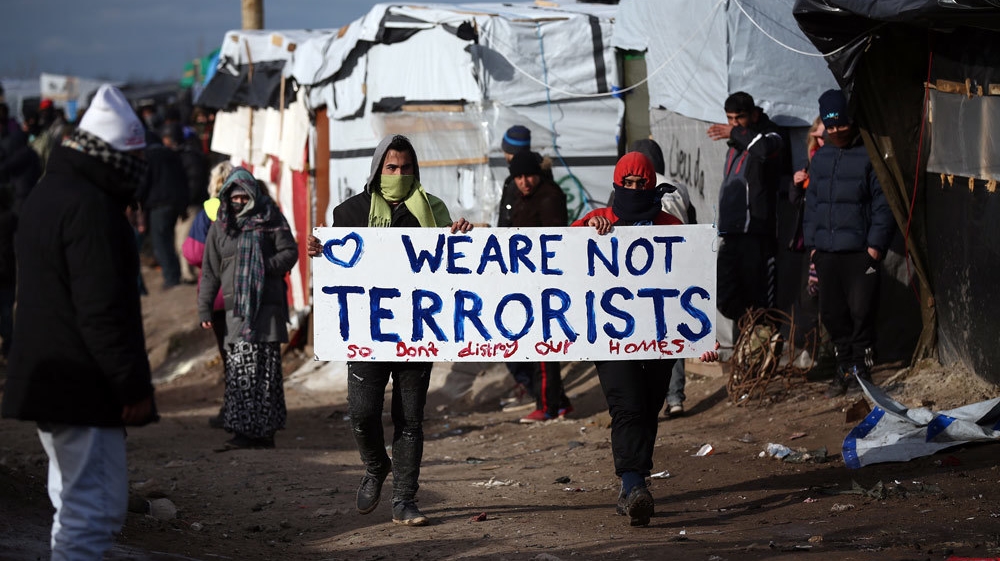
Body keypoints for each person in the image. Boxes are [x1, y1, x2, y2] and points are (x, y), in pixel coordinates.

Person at [1, 84, 158, 560]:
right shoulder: (91, 208)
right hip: (80, 383)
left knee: (73, 507)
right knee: (94, 512)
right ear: (114, 156)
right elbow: (101, 310)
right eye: (134, 158)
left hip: (56, 378)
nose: (139, 169)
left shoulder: (51, 192)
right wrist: (131, 387)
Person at [307, 134, 473, 527]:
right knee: (362, 414)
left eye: (406, 168)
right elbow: (338, 262)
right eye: (391, 167)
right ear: (378, 169)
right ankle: (375, 465)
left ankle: (404, 500)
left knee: (409, 419)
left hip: (418, 330)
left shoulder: (433, 210)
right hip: (368, 334)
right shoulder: (350, 212)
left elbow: (454, 264)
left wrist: (461, 236)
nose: (399, 174)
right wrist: (320, 249)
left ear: (416, 170)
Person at [573, 151, 718, 527]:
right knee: (627, 406)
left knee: (649, 406)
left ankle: (634, 485)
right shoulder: (596, 221)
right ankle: (633, 482)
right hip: (611, 337)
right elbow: (562, 257)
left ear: (652, 185)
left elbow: (691, 282)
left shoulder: (671, 226)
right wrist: (588, 230)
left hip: (659, 335)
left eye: (642, 183)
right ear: (617, 184)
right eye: (629, 183)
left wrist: (703, 336)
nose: (635, 189)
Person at [803, 89, 895, 397]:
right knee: (832, 313)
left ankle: (862, 371)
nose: (836, 131)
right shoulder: (821, 158)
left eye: (841, 124)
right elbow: (812, 204)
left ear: (851, 121)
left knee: (861, 311)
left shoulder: (869, 155)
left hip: (860, 252)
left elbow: (883, 203)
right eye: (830, 126)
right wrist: (813, 246)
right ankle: (843, 368)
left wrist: (875, 247)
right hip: (827, 251)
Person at [198, 167, 297, 450]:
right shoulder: (221, 225)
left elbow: (289, 252)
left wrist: (263, 266)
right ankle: (242, 432)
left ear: (254, 195)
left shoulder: (271, 217)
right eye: (235, 197)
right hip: (236, 312)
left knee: (265, 373)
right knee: (240, 371)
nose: (240, 202)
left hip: (267, 308)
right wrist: (205, 309)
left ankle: (264, 434)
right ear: (226, 197)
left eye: (245, 196)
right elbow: (210, 271)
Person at [626, 139, 693, 418]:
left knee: (643, 332)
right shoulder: (679, 188)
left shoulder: (631, 189)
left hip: (640, 270)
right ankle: (674, 397)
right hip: (674, 268)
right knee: (672, 331)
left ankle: (643, 398)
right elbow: (692, 226)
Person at [505, 150, 574, 422]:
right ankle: (559, 402)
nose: (524, 182)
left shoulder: (548, 197)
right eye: (519, 177)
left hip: (544, 282)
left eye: (529, 176)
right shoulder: (522, 197)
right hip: (526, 280)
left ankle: (547, 406)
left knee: (543, 348)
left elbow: (552, 241)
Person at [708, 92, 785, 324]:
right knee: (723, 293)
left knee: (757, 297)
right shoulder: (735, 146)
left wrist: (734, 133)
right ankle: (750, 331)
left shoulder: (771, 136)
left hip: (756, 233)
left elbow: (763, 149)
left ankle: (762, 337)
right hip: (732, 232)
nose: (733, 124)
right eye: (729, 119)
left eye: (739, 118)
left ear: (753, 115)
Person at [183, 161, 234, 428]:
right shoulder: (252, 207)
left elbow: (192, 253)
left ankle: (233, 409)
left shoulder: (209, 211)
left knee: (228, 354)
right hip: (247, 292)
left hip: (218, 292)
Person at [137, 127, 188, 289]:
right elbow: (183, 179)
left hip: (158, 204)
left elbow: (144, 182)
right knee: (171, 240)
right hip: (175, 203)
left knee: (161, 243)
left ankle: (171, 277)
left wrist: (137, 199)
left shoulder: (148, 157)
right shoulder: (171, 154)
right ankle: (176, 273)